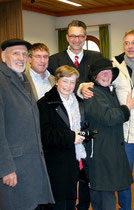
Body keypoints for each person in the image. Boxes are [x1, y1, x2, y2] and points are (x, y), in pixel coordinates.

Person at [81, 30, 134, 210]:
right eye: (126, 43)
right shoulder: (113, 66)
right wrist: (82, 88)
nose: (130, 46)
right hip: (122, 132)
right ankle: (124, 207)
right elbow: (94, 82)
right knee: (121, 176)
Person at [48, 20, 104, 209]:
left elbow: (108, 77)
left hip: (89, 119)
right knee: (67, 171)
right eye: (73, 36)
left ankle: (84, 205)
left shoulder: (96, 57)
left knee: (87, 169)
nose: (77, 40)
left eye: (80, 36)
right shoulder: (53, 60)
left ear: (85, 37)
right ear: (67, 37)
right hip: (63, 122)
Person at [0, 39, 54, 210]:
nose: (21, 58)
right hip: (13, 166)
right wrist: (6, 168)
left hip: (30, 162)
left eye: (24, 54)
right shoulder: (2, 81)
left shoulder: (22, 78)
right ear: (3, 56)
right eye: (15, 53)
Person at [84, 57, 134, 210]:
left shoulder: (108, 91)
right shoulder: (92, 92)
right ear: (95, 77)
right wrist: (127, 108)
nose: (106, 75)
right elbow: (108, 117)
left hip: (109, 149)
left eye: (108, 72)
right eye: (101, 73)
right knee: (104, 193)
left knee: (105, 192)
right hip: (101, 151)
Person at [37, 65, 86, 210]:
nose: (68, 86)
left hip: (74, 160)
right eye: (65, 81)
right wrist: (71, 137)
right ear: (57, 81)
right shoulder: (44, 103)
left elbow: (82, 127)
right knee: (57, 204)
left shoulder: (79, 102)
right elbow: (44, 133)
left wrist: (83, 135)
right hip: (55, 162)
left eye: (72, 82)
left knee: (71, 202)